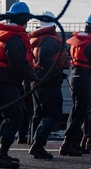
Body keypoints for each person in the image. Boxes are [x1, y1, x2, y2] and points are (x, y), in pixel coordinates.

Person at [0, 2, 37, 169]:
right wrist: (32, 75)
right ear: (24, 19)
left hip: (2, 81)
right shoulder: (15, 38)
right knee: (15, 116)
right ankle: (1, 155)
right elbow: (17, 64)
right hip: (7, 82)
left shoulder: (5, 35)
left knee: (1, 116)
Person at [59, 13, 91, 156]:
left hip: (74, 76)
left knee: (77, 111)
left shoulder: (77, 41)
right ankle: (67, 144)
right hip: (84, 78)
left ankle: (74, 143)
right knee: (80, 112)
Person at [28, 11, 68, 159]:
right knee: (53, 114)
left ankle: (34, 142)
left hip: (37, 81)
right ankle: (38, 145)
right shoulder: (50, 40)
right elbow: (44, 59)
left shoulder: (37, 39)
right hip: (49, 82)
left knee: (39, 113)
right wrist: (58, 72)